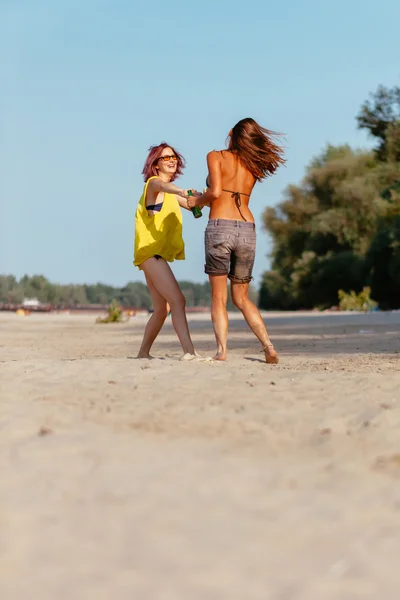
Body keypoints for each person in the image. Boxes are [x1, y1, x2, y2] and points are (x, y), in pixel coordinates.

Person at [187, 118, 285, 363]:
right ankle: (268, 346)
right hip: (247, 228)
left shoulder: (215, 156)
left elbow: (216, 192)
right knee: (241, 298)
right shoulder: (254, 164)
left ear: (231, 133)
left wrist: (195, 202)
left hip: (221, 226)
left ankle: (221, 351)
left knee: (219, 298)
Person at [134, 142, 200, 360]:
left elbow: (192, 204)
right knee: (178, 301)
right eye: (166, 158)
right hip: (150, 254)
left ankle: (143, 353)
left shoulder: (172, 193)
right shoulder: (153, 184)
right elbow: (163, 187)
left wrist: (208, 197)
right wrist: (182, 189)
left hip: (153, 255)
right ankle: (189, 352)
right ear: (155, 165)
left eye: (174, 157)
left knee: (161, 309)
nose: (172, 160)